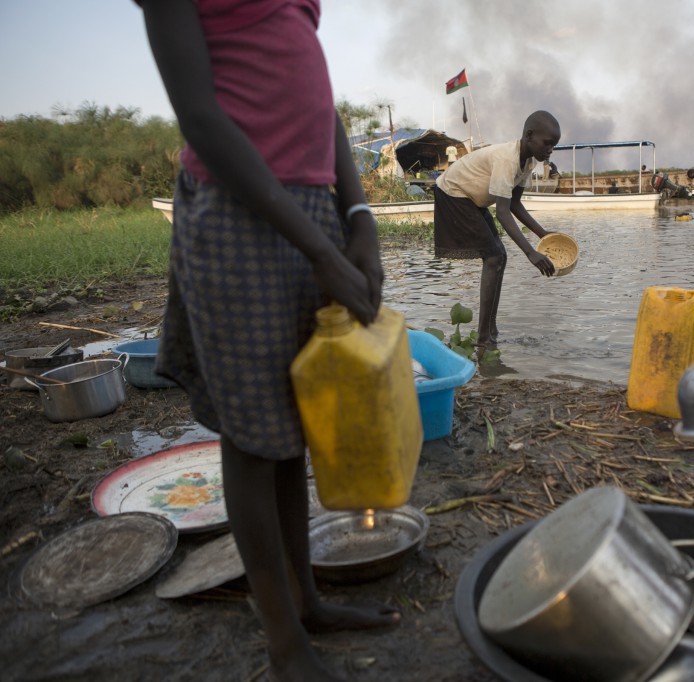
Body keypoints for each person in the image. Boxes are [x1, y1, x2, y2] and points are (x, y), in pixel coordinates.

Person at [137, 1, 400, 680]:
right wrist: (319, 250)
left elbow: (323, 109)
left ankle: (306, 598)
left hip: (311, 206)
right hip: (238, 207)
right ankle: (285, 643)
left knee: (292, 417)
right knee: (255, 437)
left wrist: (359, 215)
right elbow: (200, 115)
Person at [433, 111, 558, 348]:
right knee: (493, 257)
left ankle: (490, 329)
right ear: (529, 136)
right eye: (547, 143)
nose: (550, 149)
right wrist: (531, 252)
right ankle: (483, 337)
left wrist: (543, 234)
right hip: (453, 192)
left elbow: (514, 204)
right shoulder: (507, 159)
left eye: (554, 145)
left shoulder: (528, 161)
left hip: (472, 199)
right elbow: (501, 212)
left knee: (499, 256)